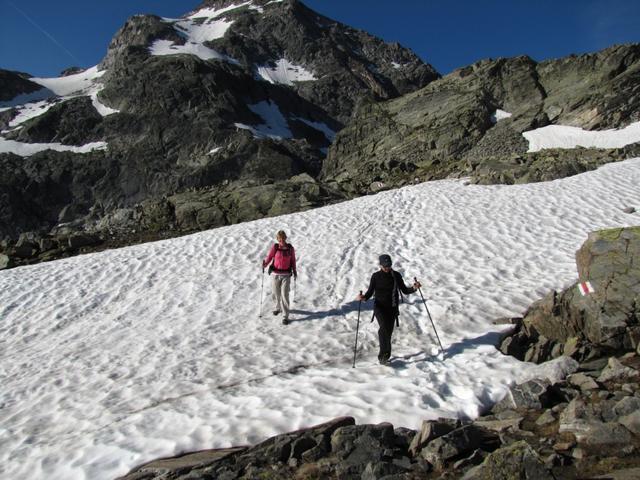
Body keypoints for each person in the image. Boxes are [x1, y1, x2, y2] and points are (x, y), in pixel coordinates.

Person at [357, 254, 421, 365]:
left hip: (392, 308)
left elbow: (405, 290)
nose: (387, 268)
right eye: (385, 266)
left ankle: (386, 355)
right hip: (379, 307)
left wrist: (414, 288)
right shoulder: (376, 276)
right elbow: (370, 292)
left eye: (389, 265)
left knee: (388, 333)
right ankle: (382, 356)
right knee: (384, 329)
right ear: (380, 265)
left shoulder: (396, 275)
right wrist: (363, 298)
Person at [262, 230, 297, 325]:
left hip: (286, 275)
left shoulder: (290, 249)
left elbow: (293, 261)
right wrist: (265, 264)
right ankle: (277, 307)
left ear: (285, 238)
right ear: (277, 239)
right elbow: (269, 257)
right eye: (279, 238)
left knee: (284, 295)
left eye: (282, 237)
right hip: (275, 274)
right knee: (275, 293)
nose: (281, 239)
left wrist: (294, 271)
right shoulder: (275, 247)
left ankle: (285, 316)